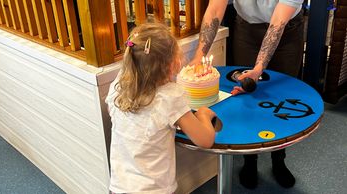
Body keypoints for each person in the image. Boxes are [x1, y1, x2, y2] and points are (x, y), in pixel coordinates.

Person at [189, 0, 304, 189]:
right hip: (247, 30)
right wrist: (198, 57)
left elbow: (278, 22)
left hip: (287, 31)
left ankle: (279, 159)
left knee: (280, 98)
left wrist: (259, 68)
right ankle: (250, 161)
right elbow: (215, 9)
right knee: (246, 96)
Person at [105, 23, 218, 194]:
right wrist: (204, 115)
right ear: (172, 64)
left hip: (119, 188)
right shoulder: (170, 97)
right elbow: (205, 140)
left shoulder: (117, 87)